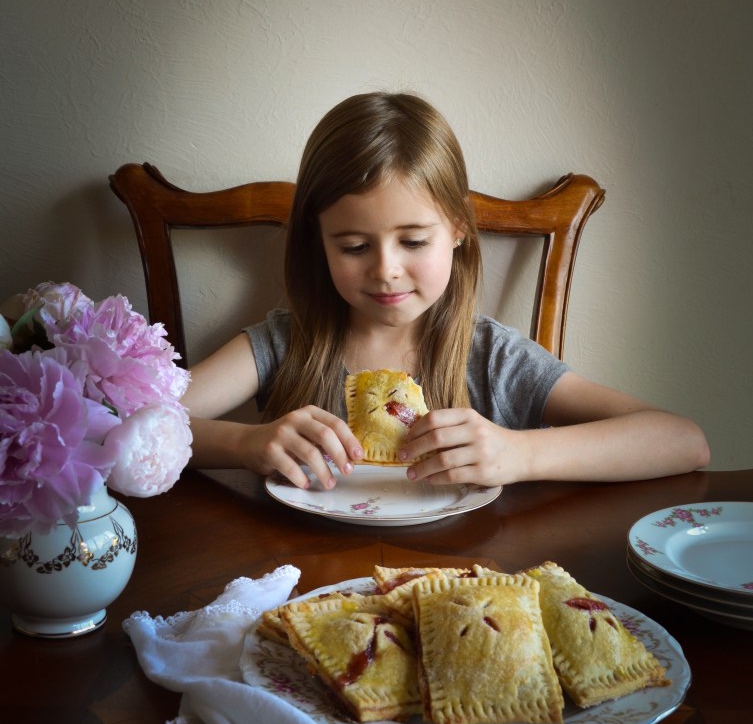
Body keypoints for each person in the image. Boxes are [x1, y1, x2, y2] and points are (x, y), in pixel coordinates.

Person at [183, 91, 709, 491]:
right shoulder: (283, 343)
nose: (386, 270)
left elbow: (683, 440)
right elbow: (115, 432)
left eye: (413, 241)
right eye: (353, 246)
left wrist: (518, 455)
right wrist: (245, 442)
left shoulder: (493, 360)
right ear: (317, 242)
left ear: (458, 228)